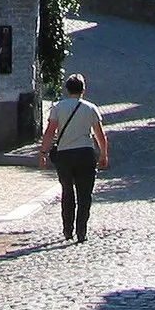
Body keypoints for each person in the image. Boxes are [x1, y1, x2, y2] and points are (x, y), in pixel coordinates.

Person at [37, 73, 110, 243]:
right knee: (85, 194)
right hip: (85, 153)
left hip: (64, 155)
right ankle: (81, 231)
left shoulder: (58, 108)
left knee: (67, 192)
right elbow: (100, 134)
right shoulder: (90, 108)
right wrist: (103, 154)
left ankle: (67, 230)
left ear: (67, 89)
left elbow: (50, 132)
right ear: (83, 90)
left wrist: (43, 153)